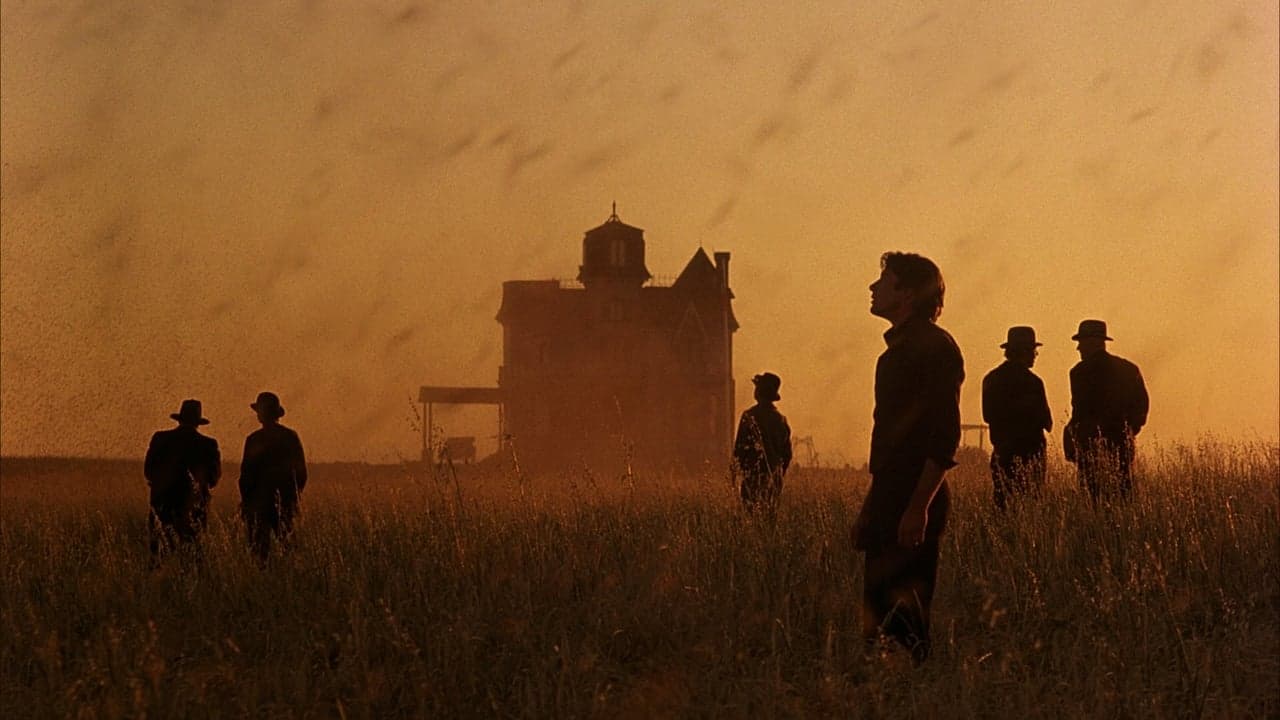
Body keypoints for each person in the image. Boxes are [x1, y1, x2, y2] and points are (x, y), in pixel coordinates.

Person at [852, 252, 964, 665]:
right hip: (891, 496)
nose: (873, 287)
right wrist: (870, 507)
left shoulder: (933, 348)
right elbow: (891, 444)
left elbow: (943, 437)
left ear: (908, 294)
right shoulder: (898, 351)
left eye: (885, 280)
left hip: (914, 497)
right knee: (877, 619)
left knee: (907, 622)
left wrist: (918, 507)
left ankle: (914, 698)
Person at [1064, 320, 1148, 502]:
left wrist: (1076, 439)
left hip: (1089, 449)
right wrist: (1128, 433)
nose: (1078, 348)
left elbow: (1079, 413)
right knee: (1122, 499)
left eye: (1082, 342)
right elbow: (1141, 407)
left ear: (1093, 342)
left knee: (1093, 501)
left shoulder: (1079, 373)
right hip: (1121, 447)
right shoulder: (1129, 369)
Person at [981, 326, 1053, 509]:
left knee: (1003, 506)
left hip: (1003, 454)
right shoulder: (1033, 382)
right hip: (1031, 456)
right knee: (1030, 508)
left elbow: (987, 416)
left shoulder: (991, 379)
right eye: (1033, 351)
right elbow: (1047, 422)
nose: (1035, 355)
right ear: (1025, 352)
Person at [144, 399, 221, 561]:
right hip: (194, 508)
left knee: (159, 556)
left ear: (180, 418)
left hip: (163, 506)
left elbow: (149, 471)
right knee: (192, 557)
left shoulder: (160, 438)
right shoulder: (208, 444)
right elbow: (213, 479)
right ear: (198, 422)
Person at [238, 391, 308, 563]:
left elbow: (246, 476)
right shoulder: (290, 437)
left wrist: (246, 502)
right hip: (285, 503)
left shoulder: (253, 439)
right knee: (289, 550)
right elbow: (301, 473)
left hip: (258, 505)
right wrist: (293, 497)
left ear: (261, 414)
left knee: (259, 555)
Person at [732, 372, 793, 518]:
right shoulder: (781, 420)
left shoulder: (749, 416)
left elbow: (739, 449)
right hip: (774, 480)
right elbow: (787, 455)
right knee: (769, 521)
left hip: (752, 479)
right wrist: (778, 474)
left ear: (759, 392)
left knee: (750, 518)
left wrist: (735, 474)